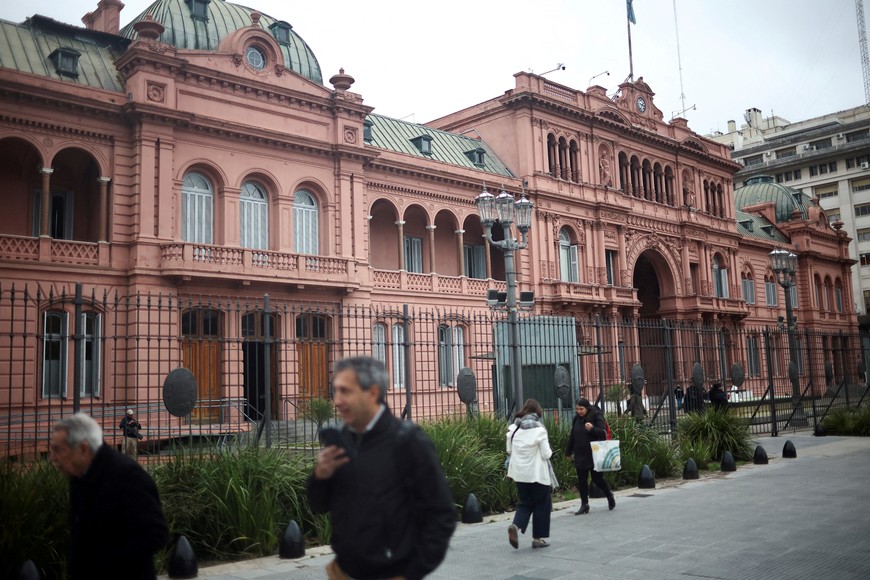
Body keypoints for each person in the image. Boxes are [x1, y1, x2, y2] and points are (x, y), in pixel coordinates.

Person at [307, 356, 456, 580]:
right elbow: (318, 505)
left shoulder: (408, 441)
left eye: (345, 391)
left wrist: (410, 574)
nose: (336, 400)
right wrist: (320, 476)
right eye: (335, 391)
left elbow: (442, 514)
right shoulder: (342, 440)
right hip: (343, 573)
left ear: (373, 393)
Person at [50, 413, 168, 580]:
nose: (53, 458)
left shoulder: (127, 475)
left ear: (83, 448)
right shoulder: (79, 474)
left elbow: (156, 533)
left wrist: (103, 565)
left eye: (58, 450)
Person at [505, 398, 554, 550]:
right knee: (542, 504)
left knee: (525, 502)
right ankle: (537, 539)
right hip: (537, 474)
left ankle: (516, 524)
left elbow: (509, 450)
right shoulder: (539, 430)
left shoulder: (513, 429)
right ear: (538, 413)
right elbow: (546, 454)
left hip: (519, 474)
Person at [566, 397, 615, 514]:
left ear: (587, 408)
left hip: (594, 455)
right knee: (582, 481)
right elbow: (572, 436)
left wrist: (592, 429)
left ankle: (609, 495)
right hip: (580, 454)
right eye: (577, 409)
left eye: (581, 409)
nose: (579, 411)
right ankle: (584, 504)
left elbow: (603, 433)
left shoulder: (596, 416)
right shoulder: (576, 419)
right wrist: (568, 451)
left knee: (597, 479)